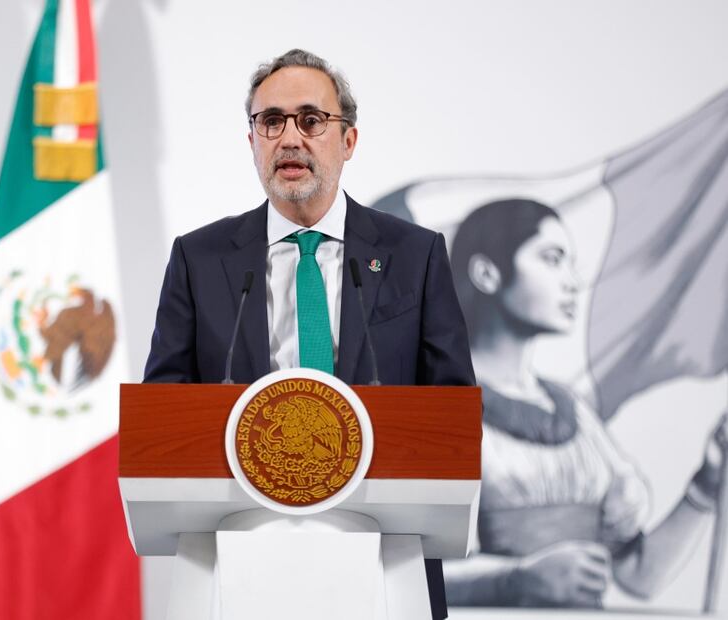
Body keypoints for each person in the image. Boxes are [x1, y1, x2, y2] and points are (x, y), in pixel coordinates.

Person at [143, 49, 475, 620]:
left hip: (383, 559)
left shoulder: (413, 255)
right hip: (236, 556)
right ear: (252, 141)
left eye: (310, 120)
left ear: (347, 141)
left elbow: (452, 407)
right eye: (271, 121)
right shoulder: (200, 259)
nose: (289, 138)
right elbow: (164, 413)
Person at [442, 198, 727, 607]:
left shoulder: (573, 412)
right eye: (552, 259)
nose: (573, 281)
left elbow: (637, 576)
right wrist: (515, 580)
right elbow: (408, 572)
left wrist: (706, 483)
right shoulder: (438, 403)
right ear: (487, 273)